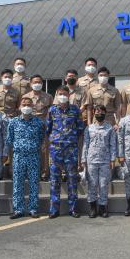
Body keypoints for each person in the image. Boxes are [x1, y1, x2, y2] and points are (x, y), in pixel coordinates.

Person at [46, 86, 85, 218]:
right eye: (60, 93)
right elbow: (48, 128)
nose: (62, 96)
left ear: (69, 95)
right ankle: (54, 209)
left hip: (70, 149)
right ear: (56, 95)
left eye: (65, 94)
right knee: (54, 179)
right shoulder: (52, 110)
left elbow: (80, 127)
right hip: (56, 149)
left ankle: (73, 208)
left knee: (72, 179)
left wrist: (71, 138)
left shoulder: (75, 109)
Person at [7, 97, 45, 219]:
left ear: (32, 106)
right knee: (18, 183)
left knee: (34, 183)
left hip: (34, 156)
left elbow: (41, 139)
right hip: (18, 156)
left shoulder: (39, 122)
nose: (26, 106)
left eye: (29, 104)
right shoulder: (13, 122)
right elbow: (9, 140)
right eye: (24, 104)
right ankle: (18, 209)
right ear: (19, 106)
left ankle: (33, 208)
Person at [81, 105, 117, 218]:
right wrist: (83, 159)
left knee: (103, 185)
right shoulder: (89, 128)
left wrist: (112, 159)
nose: (99, 113)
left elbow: (112, 144)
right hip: (91, 160)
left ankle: (103, 207)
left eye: (101, 111)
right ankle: (93, 208)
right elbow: (85, 144)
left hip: (105, 160)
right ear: (93, 113)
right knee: (92, 184)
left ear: (105, 113)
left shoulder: (109, 128)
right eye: (97, 111)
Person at [22, 75, 53, 181]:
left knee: (44, 149)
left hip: (43, 125)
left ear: (42, 84)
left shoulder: (48, 96)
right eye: (35, 82)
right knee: (30, 149)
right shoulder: (25, 96)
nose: (37, 84)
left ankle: (44, 173)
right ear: (30, 84)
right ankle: (31, 172)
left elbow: (51, 112)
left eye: (39, 82)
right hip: (29, 125)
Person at [0, 69, 21, 180]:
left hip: (12, 120)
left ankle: (12, 171)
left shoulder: (16, 92)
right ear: (1, 78)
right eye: (5, 76)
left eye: (10, 77)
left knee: (12, 147)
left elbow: (19, 107)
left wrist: (14, 117)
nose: (8, 79)